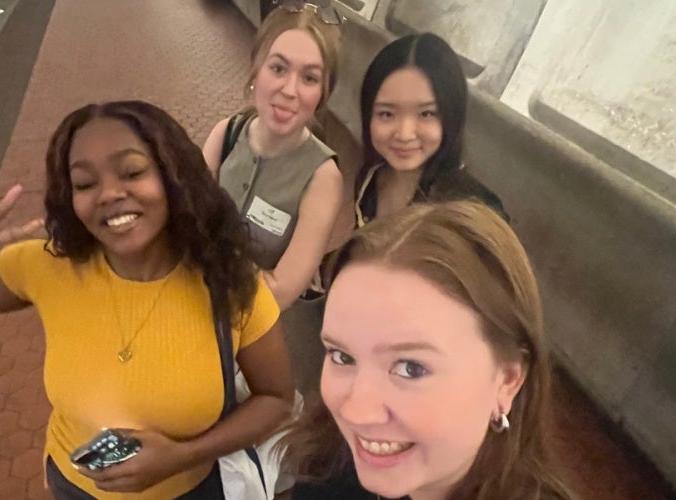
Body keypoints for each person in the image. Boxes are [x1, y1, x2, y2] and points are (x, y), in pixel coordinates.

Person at [0, 101, 294, 499]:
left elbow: (274, 399)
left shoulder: (228, 280)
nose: (109, 194)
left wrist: (183, 456)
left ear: (174, 177)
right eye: (85, 184)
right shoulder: (50, 265)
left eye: (133, 172)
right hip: (74, 488)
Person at [281, 201, 575, 499]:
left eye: (411, 368)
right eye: (342, 356)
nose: (356, 412)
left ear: (507, 381)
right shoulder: (326, 464)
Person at [202, 1, 344, 310]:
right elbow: (187, 220)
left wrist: (207, 262)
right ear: (256, 69)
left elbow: (279, 293)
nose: (290, 90)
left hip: (250, 329)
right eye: (278, 68)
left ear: (323, 92)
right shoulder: (225, 135)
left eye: (309, 78)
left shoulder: (322, 179)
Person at [354, 33, 507, 229]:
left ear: (452, 115)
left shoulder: (473, 215)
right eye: (386, 114)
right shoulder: (371, 177)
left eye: (426, 114)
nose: (404, 134)